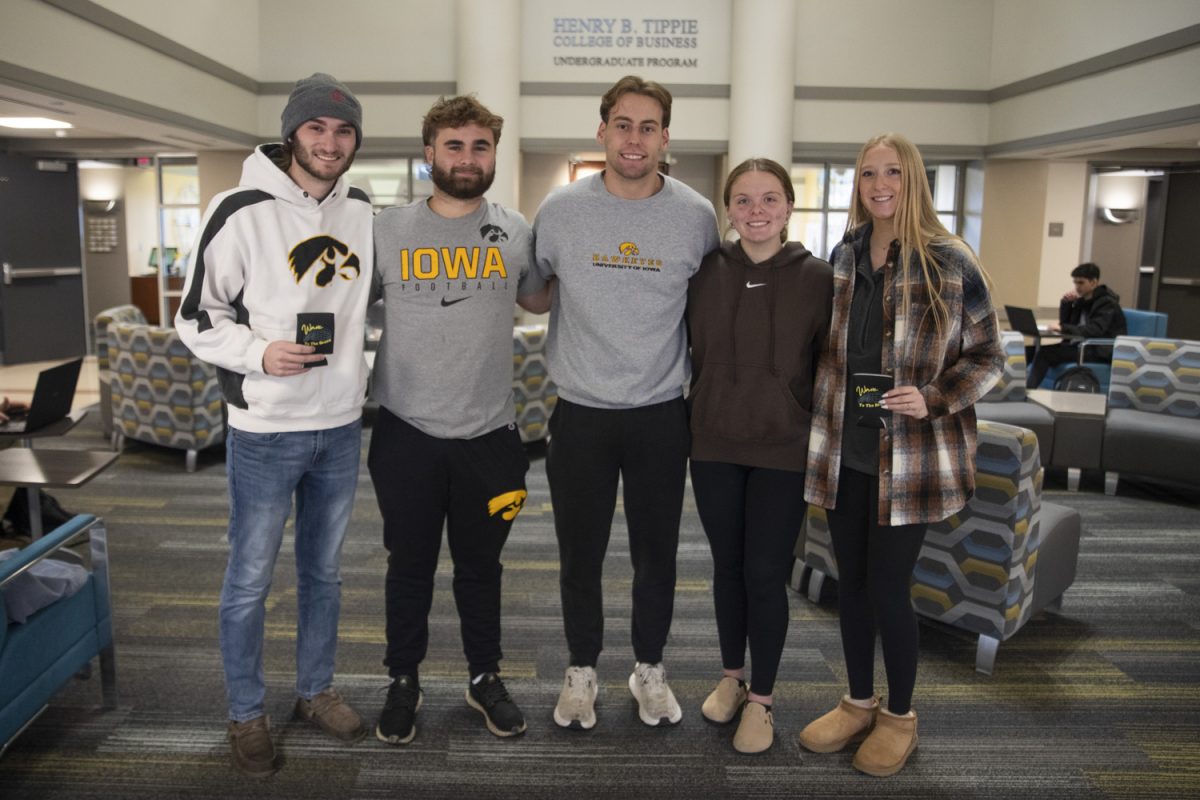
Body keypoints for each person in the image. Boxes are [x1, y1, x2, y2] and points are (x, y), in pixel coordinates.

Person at [175, 72, 373, 778]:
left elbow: (365, 309)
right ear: (293, 134)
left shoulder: (363, 211)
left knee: (324, 574)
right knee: (251, 578)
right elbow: (194, 317)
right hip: (264, 430)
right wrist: (259, 353)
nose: (331, 141)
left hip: (342, 427)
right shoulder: (239, 208)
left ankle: (315, 692)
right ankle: (245, 711)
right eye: (317, 128)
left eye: (344, 131)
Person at [798, 133, 1004, 777]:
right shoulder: (844, 254)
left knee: (888, 588)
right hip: (845, 451)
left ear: (913, 179)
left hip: (911, 460)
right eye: (867, 174)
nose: (879, 184)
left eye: (892, 172)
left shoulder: (950, 261)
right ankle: (859, 702)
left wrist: (938, 395)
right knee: (850, 585)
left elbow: (991, 357)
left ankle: (901, 716)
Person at [533, 75, 720, 731]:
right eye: (622, 124)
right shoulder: (559, 211)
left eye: (648, 127)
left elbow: (713, 311)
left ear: (665, 137)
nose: (634, 138)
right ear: (602, 130)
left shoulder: (697, 216)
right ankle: (581, 668)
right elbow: (534, 291)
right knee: (578, 556)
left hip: (660, 417)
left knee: (656, 557)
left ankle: (649, 669)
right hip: (580, 414)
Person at [368, 95, 547, 745]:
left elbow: (537, 295)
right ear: (428, 154)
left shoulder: (517, 229)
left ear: (494, 154)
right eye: (454, 145)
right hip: (405, 433)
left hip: (491, 436)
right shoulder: (386, 229)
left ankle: (483, 677)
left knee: (481, 568)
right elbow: (339, 305)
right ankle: (403, 679)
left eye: (479, 146)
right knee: (408, 565)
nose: (467, 158)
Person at [686, 158, 832, 753]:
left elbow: (832, 367)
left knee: (766, 574)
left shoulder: (820, 278)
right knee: (727, 568)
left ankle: (763, 701)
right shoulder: (703, 271)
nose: (756, 212)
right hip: (713, 443)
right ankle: (731, 677)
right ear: (728, 210)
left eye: (769, 199)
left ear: (789, 207)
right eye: (743, 201)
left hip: (784, 447)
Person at [1026, 262, 1126, 388]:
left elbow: (1094, 330)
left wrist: (1063, 328)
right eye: (1075, 282)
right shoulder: (1083, 301)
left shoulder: (1107, 304)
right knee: (1028, 351)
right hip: (1081, 345)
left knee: (1045, 353)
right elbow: (1067, 324)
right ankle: (1010, 385)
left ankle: (1028, 390)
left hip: (1098, 350)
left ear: (1094, 282)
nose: (1077, 287)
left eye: (1081, 283)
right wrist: (1066, 304)